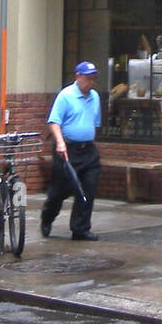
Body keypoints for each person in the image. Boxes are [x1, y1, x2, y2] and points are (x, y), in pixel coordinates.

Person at [41, 60, 102, 241]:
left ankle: (80, 229)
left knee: (88, 190)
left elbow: (95, 123)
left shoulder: (95, 97)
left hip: (88, 150)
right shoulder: (65, 96)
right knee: (59, 191)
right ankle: (47, 217)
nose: (91, 83)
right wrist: (60, 143)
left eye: (94, 79)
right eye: (88, 79)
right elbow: (54, 122)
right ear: (78, 76)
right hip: (67, 150)